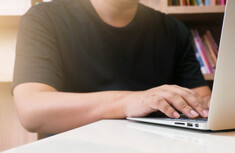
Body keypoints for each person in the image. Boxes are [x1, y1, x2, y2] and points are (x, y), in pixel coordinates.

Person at [12, 0, 212, 135]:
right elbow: (32, 109)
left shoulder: (174, 29)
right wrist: (129, 102)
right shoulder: (44, 18)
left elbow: (201, 99)